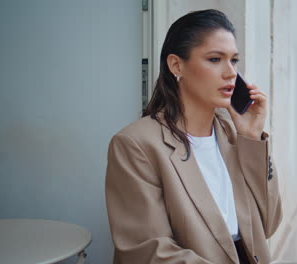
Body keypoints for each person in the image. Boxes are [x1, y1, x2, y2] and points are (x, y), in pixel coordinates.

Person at [105, 9, 282, 264]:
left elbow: (269, 223)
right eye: (214, 59)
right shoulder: (136, 145)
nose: (231, 72)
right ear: (177, 65)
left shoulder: (233, 136)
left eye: (234, 60)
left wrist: (253, 139)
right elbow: (146, 251)